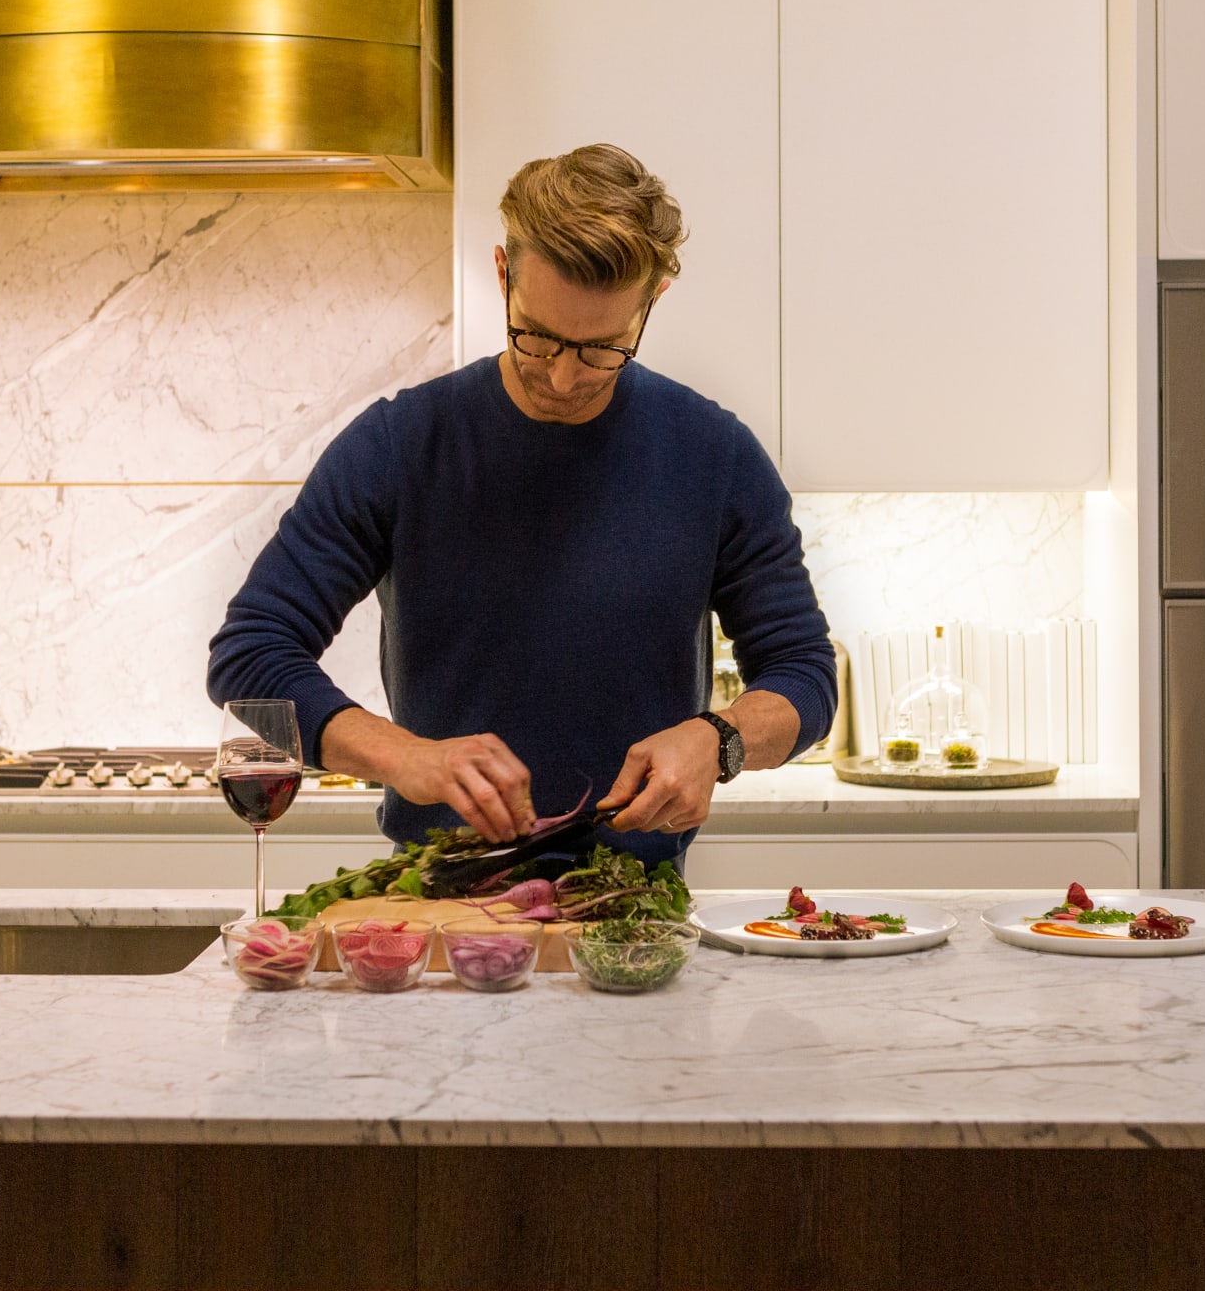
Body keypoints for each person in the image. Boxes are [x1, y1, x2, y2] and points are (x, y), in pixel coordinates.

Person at [207, 143, 837, 863]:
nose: (564, 379)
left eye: (602, 349)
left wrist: (718, 740)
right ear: (503, 274)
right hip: (438, 903)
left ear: (652, 302)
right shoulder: (400, 444)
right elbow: (251, 652)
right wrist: (401, 754)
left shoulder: (715, 455)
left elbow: (803, 673)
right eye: (536, 337)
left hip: (634, 920)